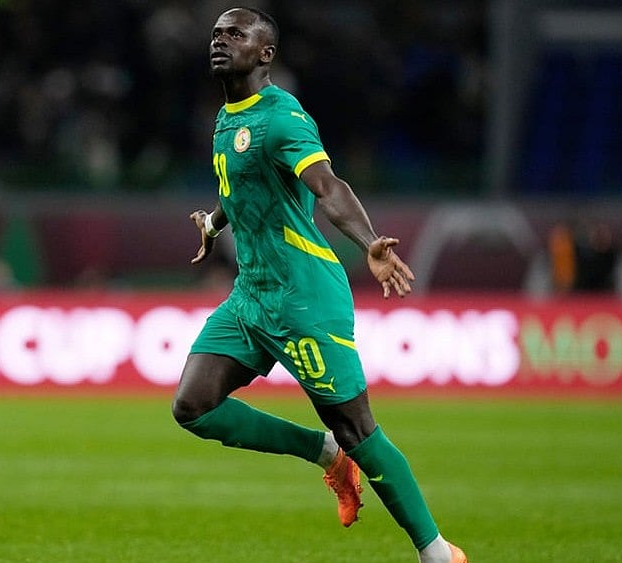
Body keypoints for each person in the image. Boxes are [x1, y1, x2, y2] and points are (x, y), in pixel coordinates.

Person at [171, 8, 467, 563]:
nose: (219, 41)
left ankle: (437, 552)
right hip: (252, 297)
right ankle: (324, 452)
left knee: (361, 429)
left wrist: (370, 242)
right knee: (193, 405)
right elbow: (244, 188)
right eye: (215, 33)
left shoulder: (283, 118)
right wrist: (214, 224)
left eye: (235, 34)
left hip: (304, 299)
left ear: (265, 54)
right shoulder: (227, 116)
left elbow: (329, 186)